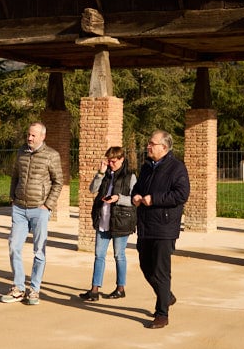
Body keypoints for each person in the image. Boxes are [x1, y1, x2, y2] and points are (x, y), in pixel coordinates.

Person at [131, 129, 190, 329]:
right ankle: (167, 296)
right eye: (149, 143)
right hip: (145, 225)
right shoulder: (147, 167)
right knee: (146, 267)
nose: (148, 146)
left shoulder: (177, 168)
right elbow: (137, 187)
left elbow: (181, 195)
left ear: (163, 147)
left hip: (164, 227)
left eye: (151, 143)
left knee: (161, 271)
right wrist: (136, 196)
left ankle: (161, 314)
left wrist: (154, 199)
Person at [0, 122, 63, 306]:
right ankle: (18, 287)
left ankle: (34, 289)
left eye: (34, 135)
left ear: (43, 137)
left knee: (39, 251)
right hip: (19, 208)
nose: (29, 138)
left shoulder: (52, 155)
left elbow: (58, 182)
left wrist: (47, 205)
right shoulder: (21, 152)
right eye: (28, 134)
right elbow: (15, 176)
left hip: (39, 209)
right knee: (14, 246)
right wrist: (13, 197)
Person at [79, 146, 136, 302]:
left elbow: (134, 200)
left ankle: (120, 288)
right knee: (99, 255)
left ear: (122, 159)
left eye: (113, 161)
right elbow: (92, 189)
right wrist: (100, 173)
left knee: (119, 255)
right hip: (103, 221)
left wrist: (118, 198)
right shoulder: (105, 175)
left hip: (121, 221)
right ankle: (94, 289)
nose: (111, 164)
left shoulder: (130, 177)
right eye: (109, 161)